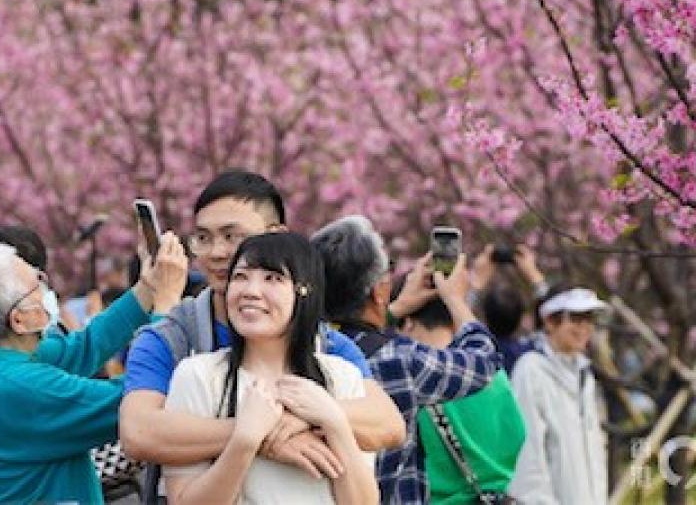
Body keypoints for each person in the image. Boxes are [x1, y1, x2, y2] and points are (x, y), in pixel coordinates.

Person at [120, 171, 405, 501]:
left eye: (232, 236)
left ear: (277, 236)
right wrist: (258, 435)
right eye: (203, 237)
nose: (216, 252)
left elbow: (387, 424)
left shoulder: (328, 348)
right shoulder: (172, 339)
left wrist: (305, 417)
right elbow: (140, 433)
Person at [164, 232, 379, 504]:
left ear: (304, 292)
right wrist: (245, 441)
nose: (251, 292)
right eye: (241, 277)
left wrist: (333, 420)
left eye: (273, 279)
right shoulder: (199, 376)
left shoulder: (340, 376)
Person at [0, 233, 187, 503]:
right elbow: (141, 398)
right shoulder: (26, 389)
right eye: (37, 285)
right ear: (20, 320)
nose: (46, 290)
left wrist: (146, 290)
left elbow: (85, 346)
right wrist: (167, 303)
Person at [311, 215, 503, 504]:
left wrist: (393, 308)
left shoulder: (303, 350)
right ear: (379, 291)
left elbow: (354, 336)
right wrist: (458, 299)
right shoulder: (400, 360)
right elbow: (484, 361)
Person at [391, 276, 526, 504]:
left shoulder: (411, 381)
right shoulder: (493, 375)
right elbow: (518, 435)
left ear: (408, 322)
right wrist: (456, 299)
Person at [508, 284, 609, 504]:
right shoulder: (530, 371)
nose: (584, 328)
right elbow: (529, 455)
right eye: (575, 319)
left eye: (588, 319)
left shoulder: (584, 374)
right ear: (550, 321)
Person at [470, 244, 548, 373]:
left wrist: (477, 282)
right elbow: (550, 319)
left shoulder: (474, 353)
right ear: (521, 316)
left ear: (484, 314)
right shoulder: (530, 353)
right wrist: (535, 275)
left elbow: (454, 323)